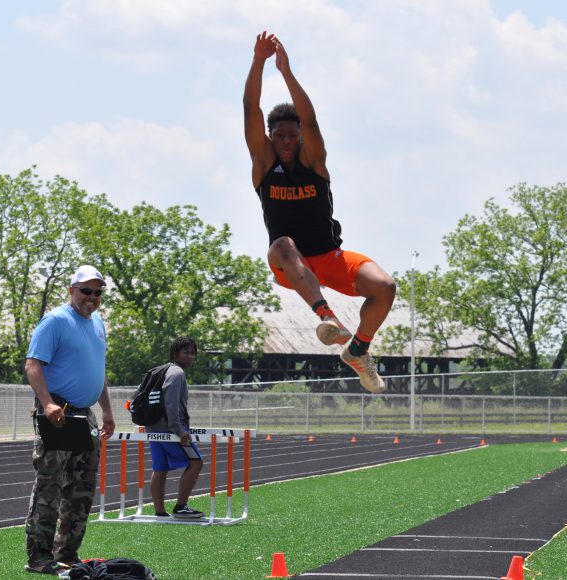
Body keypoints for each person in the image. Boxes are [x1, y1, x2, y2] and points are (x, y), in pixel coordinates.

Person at [243, 31, 396, 394]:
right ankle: (326, 316)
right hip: (290, 264)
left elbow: (310, 121)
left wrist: (286, 72)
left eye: (292, 137)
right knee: (282, 243)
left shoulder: (314, 161)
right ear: (270, 137)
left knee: (385, 287)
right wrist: (259, 62)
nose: (286, 142)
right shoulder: (264, 164)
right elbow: (251, 108)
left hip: (329, 256)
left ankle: (358, 350)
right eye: (279, 136)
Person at [23, 265, 116, 575]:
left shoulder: (98, 323)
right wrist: (47, 404)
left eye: (97, 292)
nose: (92, 297)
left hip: (85, 414)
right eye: (86, 290)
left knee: (82, 488)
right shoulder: (55, 321)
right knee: (49, 487)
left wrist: (107, 410)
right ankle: (39, 557)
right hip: (58, 413)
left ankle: (67, 554)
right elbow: (33, 365)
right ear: (71, 290)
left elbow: (98, 372)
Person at [146, 337, 205, 519]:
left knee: (160, 468)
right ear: (175, 354)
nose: (190, 357)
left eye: (193, 353)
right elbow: (171, 404)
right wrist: (179, 430)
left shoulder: (160, 370)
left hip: (153, 428)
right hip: (169, 430)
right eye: (186, 352)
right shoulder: (177, 373)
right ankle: (181, 506)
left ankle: (159, 511)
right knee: (196, 462)